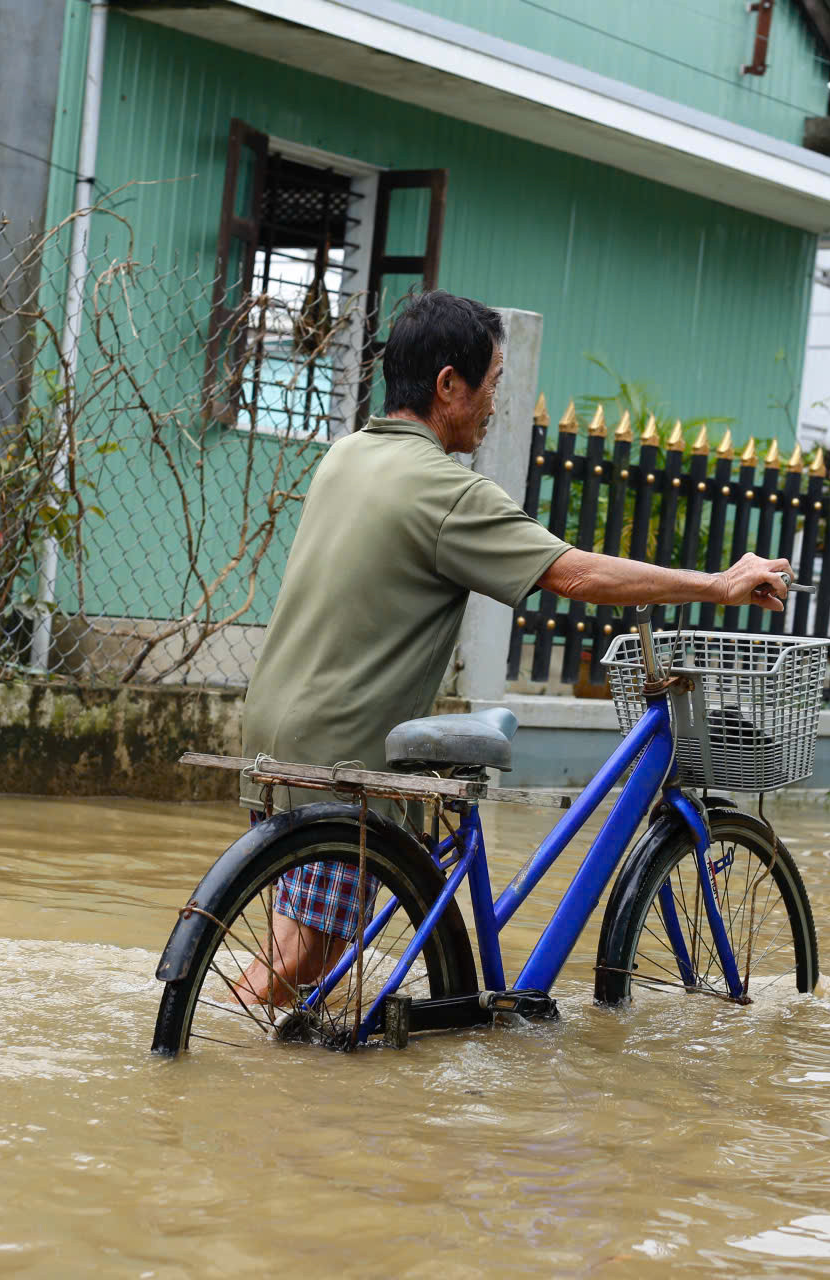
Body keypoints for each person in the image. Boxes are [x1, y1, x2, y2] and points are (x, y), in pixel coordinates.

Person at [234, 291, 790, 1004]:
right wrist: (716, 583)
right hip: (343, 752)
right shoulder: (445, 489)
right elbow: (575, 572)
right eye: (494, 381)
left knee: (317, 971)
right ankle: (198, 1074)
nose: (497, 402)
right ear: (448, 386)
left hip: (273, 728)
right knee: (297, 962)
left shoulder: (347, 455)